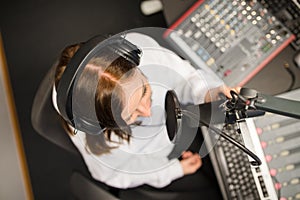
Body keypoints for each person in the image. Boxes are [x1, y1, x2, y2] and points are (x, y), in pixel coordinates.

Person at [52, 31, 239, 198]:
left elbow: (187, 78)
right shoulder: (86, 121)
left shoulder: (147, 52)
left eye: (144, 91)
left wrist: (209, 93)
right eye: (131, 115)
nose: (147, 112)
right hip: (156, 157)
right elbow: (116, 174)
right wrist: (172, 170)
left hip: (177, 122)